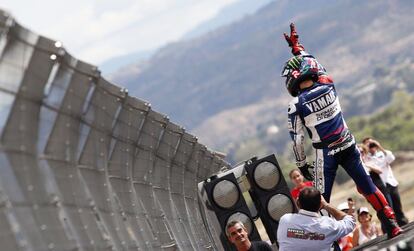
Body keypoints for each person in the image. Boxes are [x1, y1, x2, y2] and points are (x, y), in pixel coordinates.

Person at [280, 23, 402, 238]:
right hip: (348, 144)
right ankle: (392, 224)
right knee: (368, 188)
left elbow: (297, 140)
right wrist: (297, 47)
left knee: (317, 202)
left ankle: (330, 243)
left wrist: (301, 164)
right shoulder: (328, 83)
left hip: (324, 153)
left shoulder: (295, 104)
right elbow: (315, 64)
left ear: (292, 78)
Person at [277, 187, 355, 251]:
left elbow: (301, 235)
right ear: (320, 205)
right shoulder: (327, 225)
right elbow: (351, 222)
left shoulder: (285, 220)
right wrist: (326, 205)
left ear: (298, 203)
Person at [363, 137, 409, 226]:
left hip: (390, 182)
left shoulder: (382, 153)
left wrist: (379, 146)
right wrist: (366, 150)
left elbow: (391, 158)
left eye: (371, 143)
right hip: (380, 186)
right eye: (367, 144)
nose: (370, 145)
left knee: (397, 206)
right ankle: (393, 227)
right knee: (387, 209)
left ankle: (403, 224)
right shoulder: (366, 159)